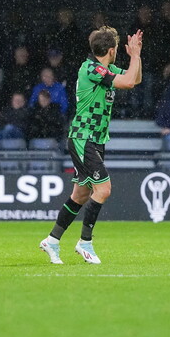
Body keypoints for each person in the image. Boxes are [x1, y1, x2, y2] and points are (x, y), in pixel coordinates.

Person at [40, 26, 142, 265]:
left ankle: (52, 240)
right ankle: (85, 242)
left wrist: (136, 56)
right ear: (111, 50)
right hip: (83, 137)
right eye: (116, 49)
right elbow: (127, 83)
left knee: (81, 194)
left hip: (95, 139)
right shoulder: (92, 68)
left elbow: (134, 79)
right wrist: (134, 56)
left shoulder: (105, 68)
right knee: (103, 190)